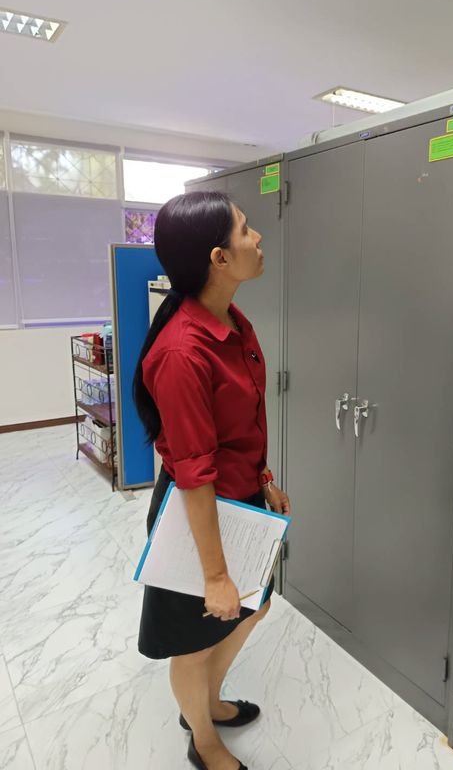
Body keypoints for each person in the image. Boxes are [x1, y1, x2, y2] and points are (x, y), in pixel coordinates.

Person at [133, 191, 291, 770]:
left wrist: (262, 477)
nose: (258, 238)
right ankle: (202, 738)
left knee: (255, 608)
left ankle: (206, 702)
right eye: (246, 230)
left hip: (239, 499)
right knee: (192, 643)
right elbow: (195, 473)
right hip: (196, 512)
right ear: (219, 258)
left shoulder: (232, 321)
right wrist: (215, 575)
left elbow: (241, 423)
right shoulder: (182, 352)